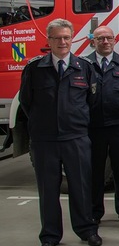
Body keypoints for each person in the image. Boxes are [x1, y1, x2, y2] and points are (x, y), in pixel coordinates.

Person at [19, 19, 102, 246]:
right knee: (48, 191)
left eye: (66, 37)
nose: (62, 42)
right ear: (49, 40)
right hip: (45, 140)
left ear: (72, 38)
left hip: (75, 138)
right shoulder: (34, 69)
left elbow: (91, 102)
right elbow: (26, 102)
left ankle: (87, 230)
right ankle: (50, 235)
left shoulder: (84, 68)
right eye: (57, 38)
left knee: (81, 188)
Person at [87, 26, 119, 225]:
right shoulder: (85, 64)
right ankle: (94, 212)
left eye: (108, 38)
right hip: (94, 127)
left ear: (115, 40)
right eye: (100, 38)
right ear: (93, 41)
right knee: (96, 171)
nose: (105, 42)